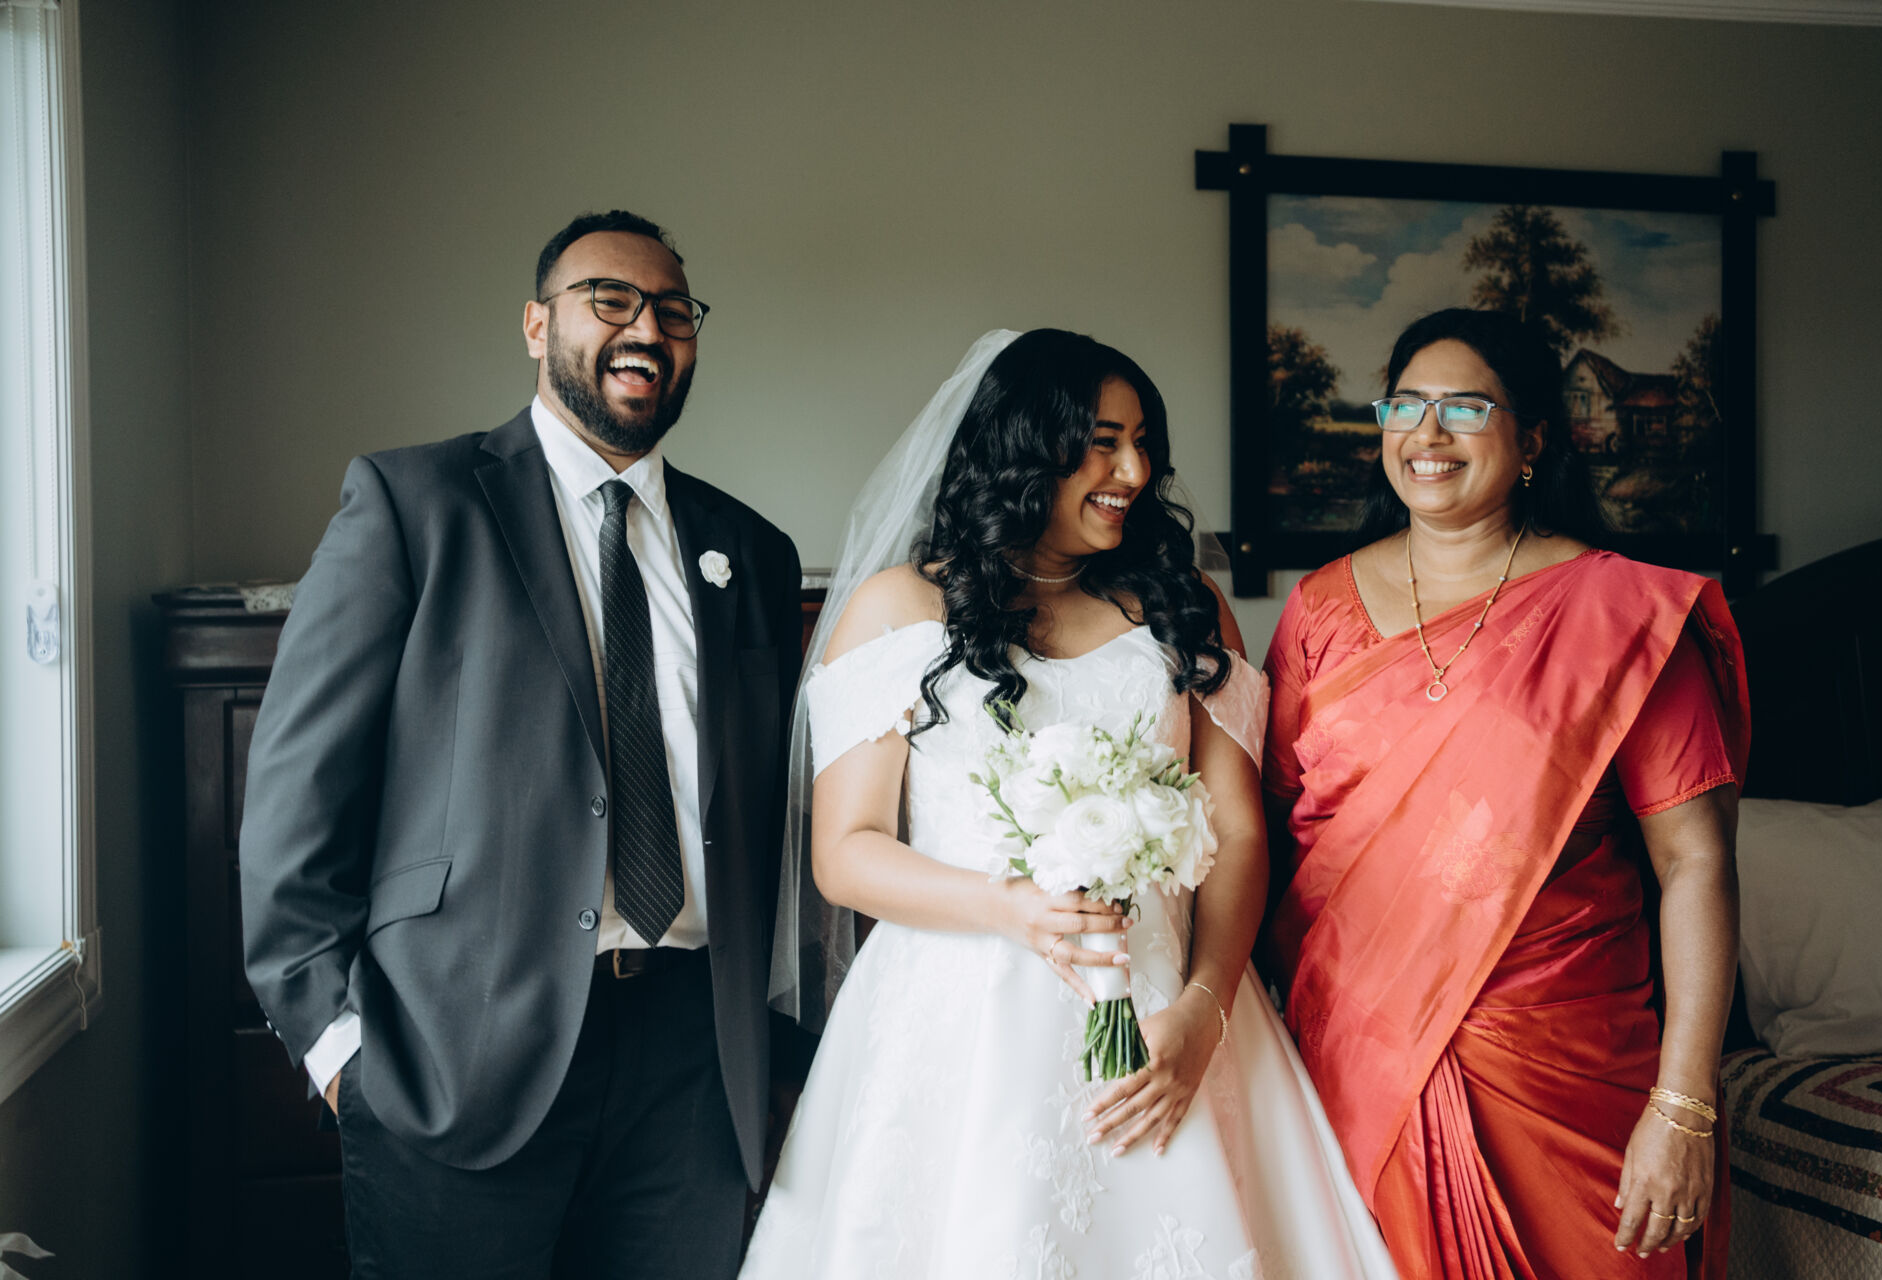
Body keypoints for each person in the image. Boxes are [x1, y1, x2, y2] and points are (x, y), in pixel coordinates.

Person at [742, 329, 1397, 1279]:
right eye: (1101, 442)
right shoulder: (896, 609)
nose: (1133, 472)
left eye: (1143, 444)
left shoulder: (1185, 607)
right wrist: (1007, 907)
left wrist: (1204, 1011)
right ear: (1022, 448)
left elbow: (1238, 830)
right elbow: (846, 851)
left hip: (1170, 997)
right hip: (959, 1017)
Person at [239, 210, 800, 1278]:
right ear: (537, 325)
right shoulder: (414, 503)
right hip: (455, 1045)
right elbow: (296, 795)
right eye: (611, 300)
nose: (648, 328)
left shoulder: (750, 551)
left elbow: (771, 820)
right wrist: (337, 1048)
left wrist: (776, 1052)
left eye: (673, 310)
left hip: (692, 1064)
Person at [1261, 308, 1748, 1280]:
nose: (1426, 433)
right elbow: (1268, 841)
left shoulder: (1622, 615)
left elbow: (1696, 862)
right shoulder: (1317, 610)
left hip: (1563, 1064)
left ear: (1533, 439)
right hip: (1358, 1064)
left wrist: (1684, 1103)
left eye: (1464, 407)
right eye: (1405, 404)